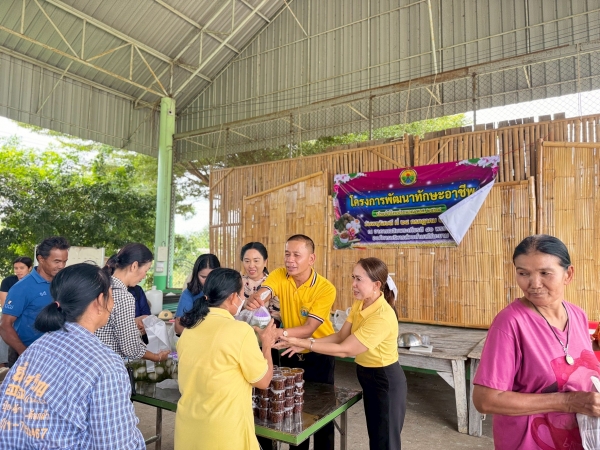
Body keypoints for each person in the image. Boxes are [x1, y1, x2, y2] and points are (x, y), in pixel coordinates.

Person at [473, 235, 600, 450]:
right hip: (530, 443)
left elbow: (572, 362)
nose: (534, 284)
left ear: (568, 274)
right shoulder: (510, 323)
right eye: (523, 273)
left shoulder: (577, 315)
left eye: (544, 273)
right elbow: (485, 400)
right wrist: (569, 402)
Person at [0, 263, 145, 449]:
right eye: (111, 296)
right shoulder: (105, 365)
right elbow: (115, 445)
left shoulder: (37, 347)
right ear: (100, 300)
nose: (114, 303)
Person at [276, 257, 406, 450]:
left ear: (377, 285)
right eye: (353, 277)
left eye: (359, 279)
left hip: (384, 380)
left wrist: (304, 343)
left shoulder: (382, 316)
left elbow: (345, 349)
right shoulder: (361, 303)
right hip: (368, 376)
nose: (353, 284)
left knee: (386, 442)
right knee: (377, 438)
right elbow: (340, 336)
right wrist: (306, 344)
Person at [247, 234, 337, 450]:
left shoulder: (325, 288)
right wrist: (257, 298)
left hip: (319, 352)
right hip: (289, 352)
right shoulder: (280, 275)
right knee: (293, 410)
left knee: (322, 411)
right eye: (287, 254)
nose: (290, 260)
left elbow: (309, 328)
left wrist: (278, 333)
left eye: (297, 255)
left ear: (311, 258)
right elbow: (266, 291)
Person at [175, 268, 278, 450]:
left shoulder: (189, 329)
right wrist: (267, 344)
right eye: (242, 294)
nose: (243, 299)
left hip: (188, 430)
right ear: (232, 297)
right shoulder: (240, 331)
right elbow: (263, 381)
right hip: (223, 433)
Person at [0, 236, 69, 367]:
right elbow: (4, 325)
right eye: (57, 261)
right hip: (27, 356)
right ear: (41, 259)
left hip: (56, 356)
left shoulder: (63, 282)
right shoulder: (22, 288)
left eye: (64, 261)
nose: (61, 266)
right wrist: (25, 353)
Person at [96, 244, 170, 363]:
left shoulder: (101, 286)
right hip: (108, 362)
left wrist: (132, 323)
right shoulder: (124, 296)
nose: (144, 276)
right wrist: (157, 357)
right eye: (146, 270)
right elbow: (130, 348)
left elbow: (107, 328)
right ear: (134, 266)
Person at [174, 253, 220, 335]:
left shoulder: (224, 292)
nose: (207, 281)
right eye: (203, 277)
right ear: (196, 274)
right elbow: (178, 328)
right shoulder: (188, 294)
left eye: (211, 276)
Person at [0, 256, 33, 367]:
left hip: (29, 315)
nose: (18, 271)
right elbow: (5, 304)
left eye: (21, 268)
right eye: (16, 268)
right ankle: (3, 364)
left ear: (30, 268)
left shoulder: (34, 283)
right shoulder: (8, 281)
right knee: (4, 327)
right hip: (11, 313)